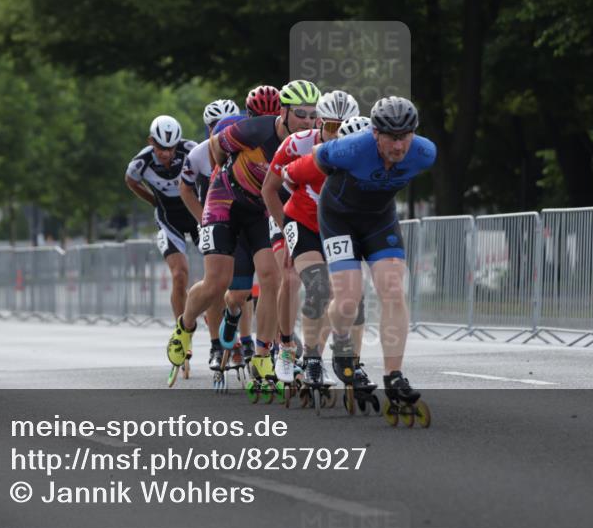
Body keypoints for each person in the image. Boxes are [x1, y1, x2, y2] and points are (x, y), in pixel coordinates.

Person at [166, 82, 318, 399]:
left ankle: (262, 358)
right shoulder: (254, 130)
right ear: (284, 112)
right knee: (216, 283)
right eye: (301, 114)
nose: (307, 121)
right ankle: (186, 324)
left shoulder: (306, 143)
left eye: (313, 115)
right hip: (224, 201)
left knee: (272, 277)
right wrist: (226, 174)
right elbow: (217, 148)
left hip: (258, 210)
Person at [312, 97, 435, 423]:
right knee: (349, 299)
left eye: (405, 135)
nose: (399, 144)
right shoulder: (351, 149)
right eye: (391, 137)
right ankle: (341, 344)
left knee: (393, 289)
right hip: (338, 218)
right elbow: (318, 157)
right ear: (375, 133)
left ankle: (393, 375)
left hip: (379, 220)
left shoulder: (425, 152)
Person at [261, 91, 360, 389]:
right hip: (294, 217)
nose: (337, 135)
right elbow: (269, 190)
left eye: (343, 128)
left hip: (332, 225)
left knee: (336, 294)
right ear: (318, 123)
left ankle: (315, 354)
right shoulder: (297, 144)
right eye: (330, 127)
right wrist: (284, 232)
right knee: (294, 280)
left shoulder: (359, 149)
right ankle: (287, 347)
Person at [178, 99, 241, 372]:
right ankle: (215, 344)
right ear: (209, 130)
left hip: (242, 219)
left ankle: (246, 340)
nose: (224, 131)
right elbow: (185, 188)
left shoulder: (247, 147)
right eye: (217, 127)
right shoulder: (199, 154)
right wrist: (203, 219)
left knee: (243, 285)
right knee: (216, 286)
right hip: (214, 221)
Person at [124, 115, 199, 320]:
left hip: (196, 215)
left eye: (171, 148)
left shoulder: (191, 149)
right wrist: (152, 200)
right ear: (151, 141)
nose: (166, 153)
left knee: (216, 273)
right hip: (169, 220)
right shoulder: (142, 161)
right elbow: (130, 181)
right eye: (160, 148)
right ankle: (182, 332)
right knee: (179, 275)